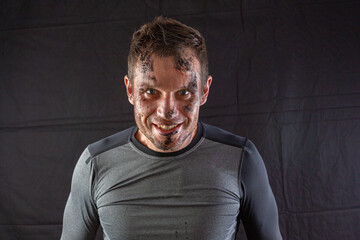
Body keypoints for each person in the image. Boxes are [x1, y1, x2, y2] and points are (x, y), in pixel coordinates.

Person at [61, 16, 282, 240]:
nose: (167, 111)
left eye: (184, 92)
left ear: (204, 91)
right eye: (151, 92)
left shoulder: (241, 159)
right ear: (130, 91)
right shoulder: (95, 164)